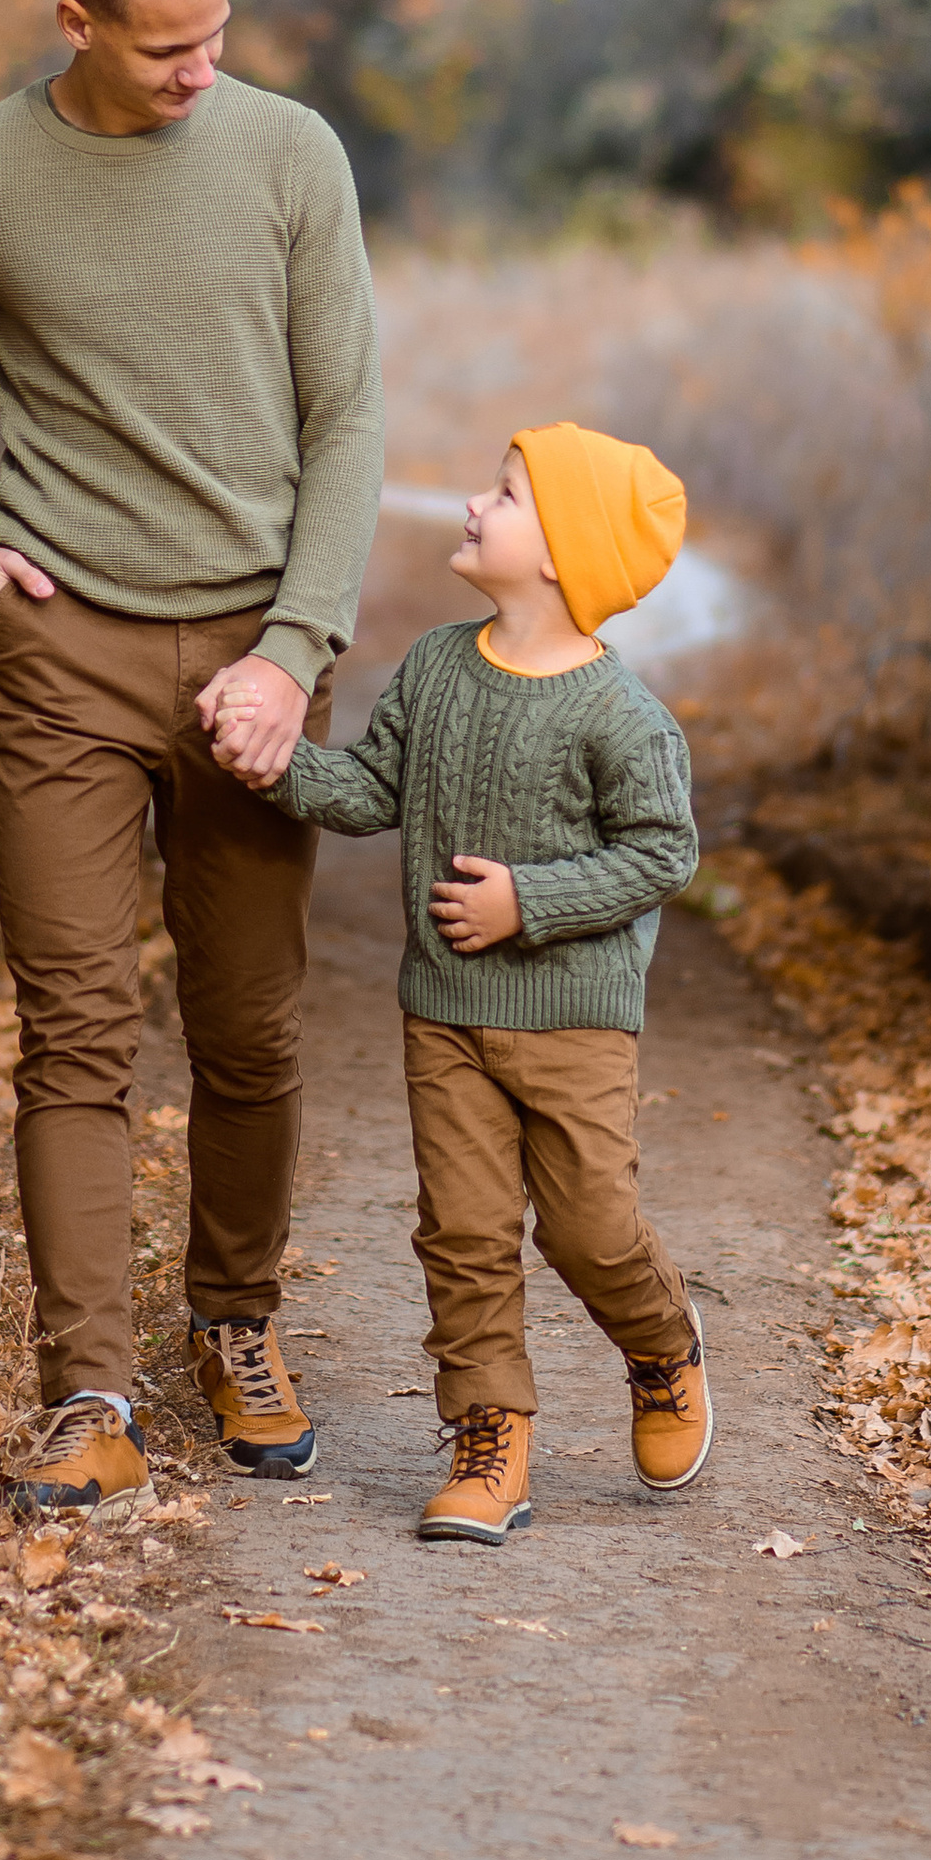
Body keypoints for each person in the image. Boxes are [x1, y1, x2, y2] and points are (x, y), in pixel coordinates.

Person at [0, 0, 384, 1518]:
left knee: (248, 1026)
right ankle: (85, 1387)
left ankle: (236, 1321)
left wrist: (293, 654)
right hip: (61, 657)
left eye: (217, 34)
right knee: (73, 1030)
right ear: (75, 20)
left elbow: (348, 423)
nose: (200, 70)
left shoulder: (291, 155)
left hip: (251, 664)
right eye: (167, 47)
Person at [233, 421, 707, 1546]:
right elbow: (370, 789)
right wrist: (276, 761)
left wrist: (526, 902)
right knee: (464, 1235)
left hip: (574, 1024)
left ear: (563, 552)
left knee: (589, 1229)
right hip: (445, 1015)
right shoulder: (438, 667)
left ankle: (661, 1346)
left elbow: (663, 853)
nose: (473, 506)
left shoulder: (620, 716)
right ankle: (490, 1439)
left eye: (503, 496)